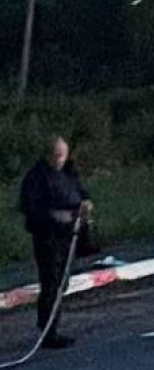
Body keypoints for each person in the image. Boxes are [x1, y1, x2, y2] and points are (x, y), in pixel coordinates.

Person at [18, 136, 93, 349]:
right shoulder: (37, 178)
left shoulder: (69, 173)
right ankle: (48, 331)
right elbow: (31, 208)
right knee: (51, 283)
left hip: (69, 236)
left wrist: (85, 204)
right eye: (56, 155)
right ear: (49, 155)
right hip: (48, 237)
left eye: (63, 154)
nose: (60, 159)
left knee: (62, 282)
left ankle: (52, 326)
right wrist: (55, 217)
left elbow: (80, 193)